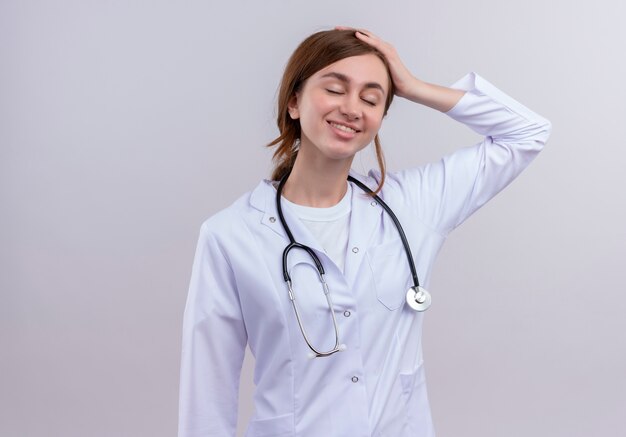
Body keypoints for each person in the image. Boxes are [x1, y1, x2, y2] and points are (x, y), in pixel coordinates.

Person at [178, 27, 552, 437]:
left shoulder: (411, 206)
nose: (352, 108)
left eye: (371, 98)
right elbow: (207, 391)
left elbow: (528, 133)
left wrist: (413, 86)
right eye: (335, 89)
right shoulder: (230, 235)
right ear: (294, 101)